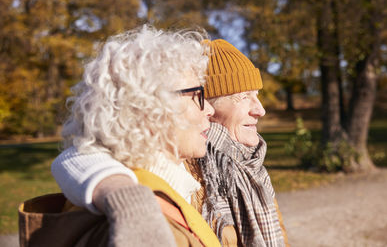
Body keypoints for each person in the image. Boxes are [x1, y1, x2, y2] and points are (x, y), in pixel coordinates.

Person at [51, 39, 289, 246]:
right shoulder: (168, 181)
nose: (261, 109)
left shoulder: (248, 169)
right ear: (153, 109)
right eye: (243, 96)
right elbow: (80, 156)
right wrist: (123, 195)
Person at [18, 26, 221, 247]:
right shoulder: (137, 227)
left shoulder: (166, 188)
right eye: (197, 95)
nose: (210, 109)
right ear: (148, 109)